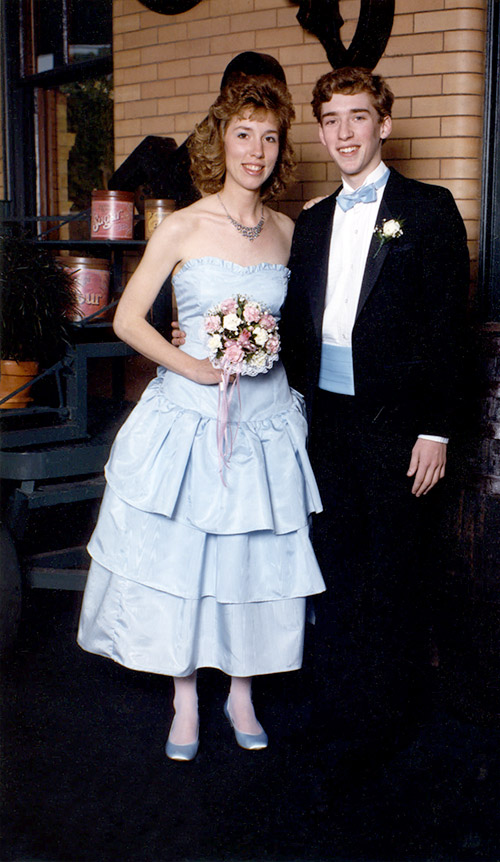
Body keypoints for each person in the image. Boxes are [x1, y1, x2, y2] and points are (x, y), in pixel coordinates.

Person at [77, 71, 325, 762]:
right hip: (190, 414)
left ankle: (240, 690)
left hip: (265, 418)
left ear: (280, 150)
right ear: (222, 140)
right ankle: (184, 694)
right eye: (244, 134)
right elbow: (128, 318)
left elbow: (303, 328)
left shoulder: (288, 230)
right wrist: (195, 365)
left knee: (250, 558)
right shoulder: (183, 225)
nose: (256, 150)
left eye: (270, 137)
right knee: (187, 555)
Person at [280, 67, 470, 757]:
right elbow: (297, 326)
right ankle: (336, 716)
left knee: (394, 579)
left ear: (383, 125)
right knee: (335, 577)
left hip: (400, 430)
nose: (345, 133)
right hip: (325, 426)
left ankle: (385, 730)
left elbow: (451, 327)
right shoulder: (312, 223)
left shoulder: (427, 209)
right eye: (332, 120)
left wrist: (436, 429)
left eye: (358, 117)